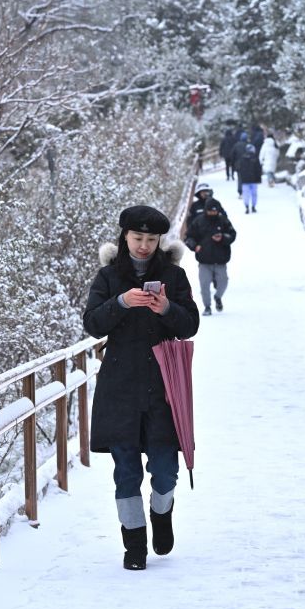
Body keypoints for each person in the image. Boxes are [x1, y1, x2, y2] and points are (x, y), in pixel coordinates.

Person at [83, 205, 200, 570]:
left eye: (152, 239)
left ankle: (162, 514)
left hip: (164, 388)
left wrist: (166, 308)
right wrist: (121, 302)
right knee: (127, 471)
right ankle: (134, 545)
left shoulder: (175, 276)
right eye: (138, 238)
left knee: (166, 470)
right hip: (119, 386)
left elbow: (190, 326)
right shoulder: (107, 277)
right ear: (124, 237)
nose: (145, 245)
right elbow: (92, 324)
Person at [184, 198, 237, 316]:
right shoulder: (198, 221)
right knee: (204, 285)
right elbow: (188, 237)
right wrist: (194, 246)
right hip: (204, 260)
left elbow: (232, 235)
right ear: (206, 210)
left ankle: (218, 297)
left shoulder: (223, 220)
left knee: (223, 282)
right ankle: (207, 306)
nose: (213, 213)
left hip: (221, 260)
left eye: (215, 211)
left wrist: (223, 238)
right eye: (210, 211)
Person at [236, 143, 262, 213]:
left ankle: (246, 206)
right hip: (254, 180)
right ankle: (253, 206)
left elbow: (239, 168)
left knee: (246, 194)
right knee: (254, 194)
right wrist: (258, 179)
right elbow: (258, 169)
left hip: (245, 180)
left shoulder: (242, 158)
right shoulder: (255, 158)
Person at [230, 131, 249, 195]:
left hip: (239, 164)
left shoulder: (236, 145)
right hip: (247, 164)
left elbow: (232, 155)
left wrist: (233, 163)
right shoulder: (248, 145)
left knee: (240, 178)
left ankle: (240, 191)